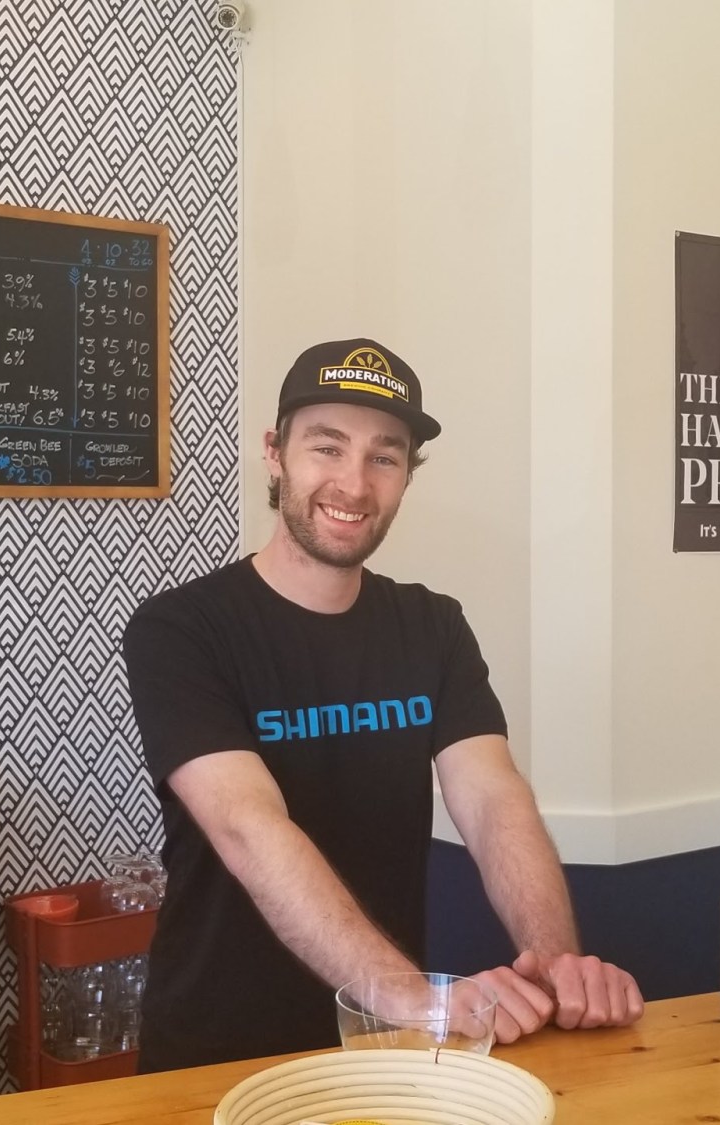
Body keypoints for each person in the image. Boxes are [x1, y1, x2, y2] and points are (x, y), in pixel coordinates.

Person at [121, 338, 644, 1072]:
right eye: (327, 448)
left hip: (384, 1051)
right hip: (217, 1050)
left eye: (385, 456)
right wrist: (412, 995)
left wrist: (555, 959)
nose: (354, 484)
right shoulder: (181, 630)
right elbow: (247, 826)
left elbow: (494, 799)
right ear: (276, 452)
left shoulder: (431, 626)